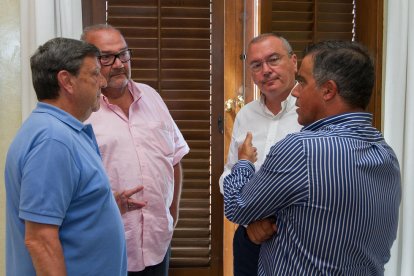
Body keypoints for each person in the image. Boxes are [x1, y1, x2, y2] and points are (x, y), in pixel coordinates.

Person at [223, 40, 401, 275]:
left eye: (303, 82)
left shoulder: (301, 149)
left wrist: (244, 162)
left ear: (328, 90)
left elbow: (237, 206)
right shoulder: (386, 153)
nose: (296, 91)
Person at [4, 37, 145, 276]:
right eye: (94, 74)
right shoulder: (53, 141)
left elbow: (62, 207)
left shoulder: (59, 131)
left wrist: (99, 206)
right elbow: (40, 241)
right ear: (66, 81)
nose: (102, 82)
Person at [81, 24, 190, 276]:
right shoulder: (83, 111)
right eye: (107, 57)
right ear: (87, 61)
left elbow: (174, 157)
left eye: (124, 54)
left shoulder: (151, 96)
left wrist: (172, 213)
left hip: (157, 242)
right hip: (109, 244)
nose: (119, 64)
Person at [219, 33, 302, 275]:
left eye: (273, 60)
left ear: (294, 61)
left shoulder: (313, 111)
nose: (266, 70)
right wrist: (249, 222)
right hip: (250, 238)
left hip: (296, 241)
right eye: (256, 65)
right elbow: (230, 174)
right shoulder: (245, 115)